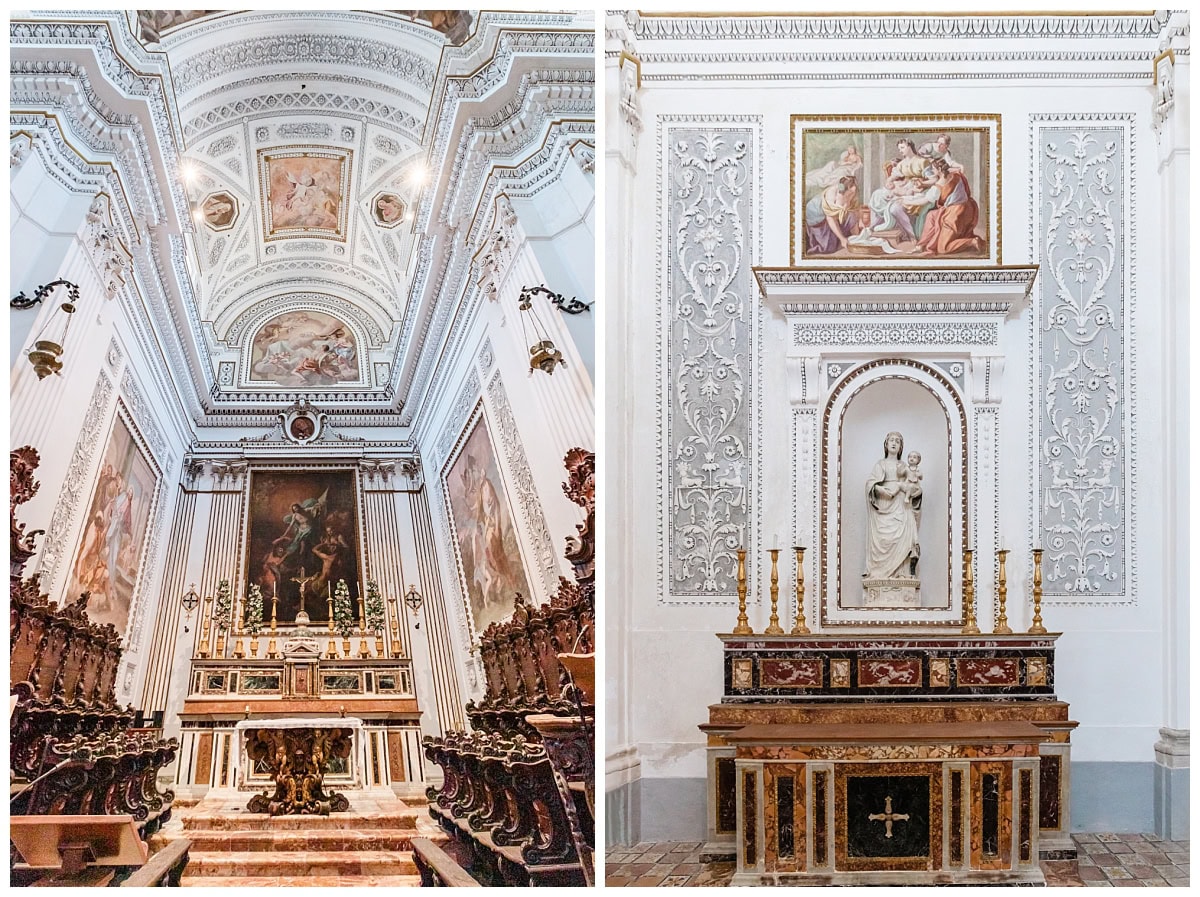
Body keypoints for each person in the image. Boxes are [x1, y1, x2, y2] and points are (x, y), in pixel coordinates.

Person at [864, 431, 922, 580]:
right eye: (891, 440)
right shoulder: (880, 464)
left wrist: (915, 492)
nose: (894, 443)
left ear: (901, 447)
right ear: (886, 444)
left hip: (901, 504)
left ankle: (901, 573)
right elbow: (870, 484)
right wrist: (881, 489)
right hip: (884, 503)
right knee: (885, 540)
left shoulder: (904, 465)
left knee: (902, 537)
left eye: (897, 441)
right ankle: (879, 576)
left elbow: (914, 484)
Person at [917, 157, 987, 256]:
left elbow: (922, 201)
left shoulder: (938, 186)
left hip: (954, 214)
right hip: (968, 209)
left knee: (943, 249)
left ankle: (972, 242)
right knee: (931, 215)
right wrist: (924, 183)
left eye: (933, 168)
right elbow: (951, 172)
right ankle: (923, 244)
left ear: (940, 170)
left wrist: (904, 200)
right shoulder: (956, 175)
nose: (932, 170)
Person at [804, 175, 859, 255]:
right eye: (850, 192)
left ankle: (857, 239)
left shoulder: (848, 190)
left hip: (832, 215)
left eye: (853, 192)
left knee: (851, 216)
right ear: (846, 188)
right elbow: (831, 218)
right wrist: (842, 239)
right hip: (816, 215)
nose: (851, 195)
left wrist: (847, 204)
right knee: (829, 248)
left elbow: (848, 207)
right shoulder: (834, 196)